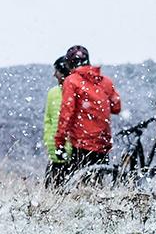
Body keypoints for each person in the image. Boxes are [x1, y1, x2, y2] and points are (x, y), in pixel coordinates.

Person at [53, 44, 121, 179]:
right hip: (103, 141)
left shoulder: (71, 81)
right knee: (97, 182)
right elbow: (116, 107)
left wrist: (60, 142)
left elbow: (67, 112)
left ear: (69, 63)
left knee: (79, 184)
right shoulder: (105, 81)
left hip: (81, 141)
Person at [42, 53, 73, 186]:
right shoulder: (52, 93)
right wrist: (49, 140)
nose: (54, 75)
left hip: (71, 150)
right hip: (55, 149)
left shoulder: (75, 91)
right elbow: (48, 120)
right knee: (52, 187)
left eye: (57, 71)